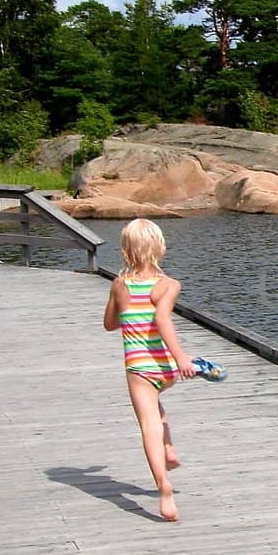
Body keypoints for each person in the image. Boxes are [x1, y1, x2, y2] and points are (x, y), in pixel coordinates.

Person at [103, 218, 195, 522]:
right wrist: (180, 359)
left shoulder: (120, 285)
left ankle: (163, 487)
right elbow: (164, 319)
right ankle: (169, 447)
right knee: (157, 409)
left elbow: (110, 324)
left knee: (148, 424)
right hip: (165, 368)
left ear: (125, 251)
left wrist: (123, 304)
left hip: (140, 368)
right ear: (161, 248)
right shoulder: (168, 285)